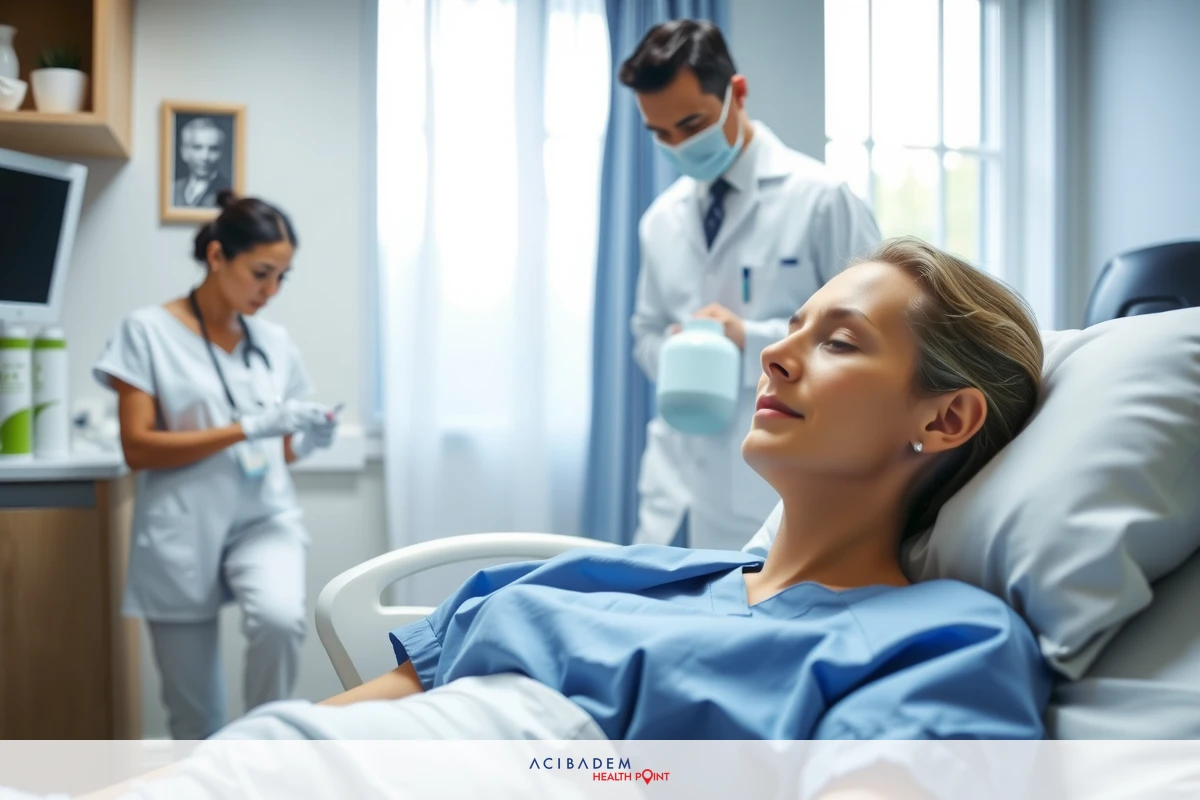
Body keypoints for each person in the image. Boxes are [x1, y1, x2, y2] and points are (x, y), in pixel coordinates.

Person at [62, 238, 1050, 800]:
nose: (776, 357)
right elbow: (288, 749)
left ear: (946, 415)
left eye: (837, 341)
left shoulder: (937, 638)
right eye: (788, 328)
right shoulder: (589, 578)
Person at [622, 19, 883, 552]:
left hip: (780, 482)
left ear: (735, 94)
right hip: (674, 481)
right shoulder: (660, 220)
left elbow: (874, 336)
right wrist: (677, 351)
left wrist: (748, 340)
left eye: (691, 124)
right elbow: (644, 332)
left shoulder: (821, 198)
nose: (678, 145)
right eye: (660, 134)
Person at [92, 191, 341, 740]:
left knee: (280, 619)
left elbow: (281, 450)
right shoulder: (147, 332)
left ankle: (266, 750)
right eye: (261, 273)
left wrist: (312, 439)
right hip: (182, 529)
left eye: (282, 277)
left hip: (263, 519)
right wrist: (246, 427)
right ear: (216, 257)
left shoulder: (274, 343)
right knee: (195, 718)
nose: (271, 291)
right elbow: (138, 447)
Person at [173, 117, 232, 208]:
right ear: (184, 152)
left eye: (213, 149)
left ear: (221, 153)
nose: (205, 157)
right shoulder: (173, 189)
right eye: (197, 147)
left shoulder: (227, 192)